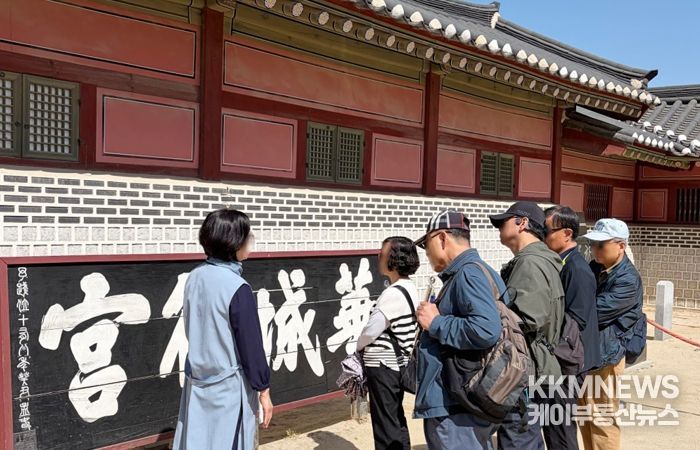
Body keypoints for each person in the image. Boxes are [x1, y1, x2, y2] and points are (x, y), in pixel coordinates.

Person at [173, 209, 273, 450]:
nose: (251, 241)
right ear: (233, 242)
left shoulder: (194, 277)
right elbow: (250, 345)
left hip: (197, 381)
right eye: (247, 236)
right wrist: (263, 389)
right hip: (229, 387)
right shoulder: (237, 287)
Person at [413, 209, 504, 450]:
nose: (426, 253)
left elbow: (486, 328)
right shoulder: (483, 271)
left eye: (426, 244)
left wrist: (435, 322)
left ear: (442, 238)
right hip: (469, 397)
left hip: (457, 404)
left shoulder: (468, 273)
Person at [489, 201, 565, 450]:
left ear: (522, 223)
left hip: (525, 367)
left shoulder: (530, 263)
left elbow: (528, 318)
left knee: (519, 438)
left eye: (503, 222)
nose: (499, 228)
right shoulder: (539, 259)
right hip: (534, 364)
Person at [579, 218, 643, 450]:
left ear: (621, 246)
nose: (595, 249)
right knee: (585, 414)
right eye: (592, 244)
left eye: (601, 245)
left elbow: (591, 312)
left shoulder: (628, 279)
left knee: (602, 418)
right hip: (588, 352)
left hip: (607, 355)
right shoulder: (595, 267)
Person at [543, 205, 600, 449]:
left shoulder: (576, 269)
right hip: (560, 358)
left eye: (546, 231)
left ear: (567, 233)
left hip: (568, 361)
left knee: (561, 427)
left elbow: (575, 321)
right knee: (551, 423)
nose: (542, 237)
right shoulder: (561, 263)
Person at [357, 236, 420, 450]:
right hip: (395, 365)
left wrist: (357, 347)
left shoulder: (393, 294)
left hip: (383, 366)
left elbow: (371, 330)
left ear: (394, 259)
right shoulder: (408, 287)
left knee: (385, 424)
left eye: (382, 254)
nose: (378, 258)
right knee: (394, 419)